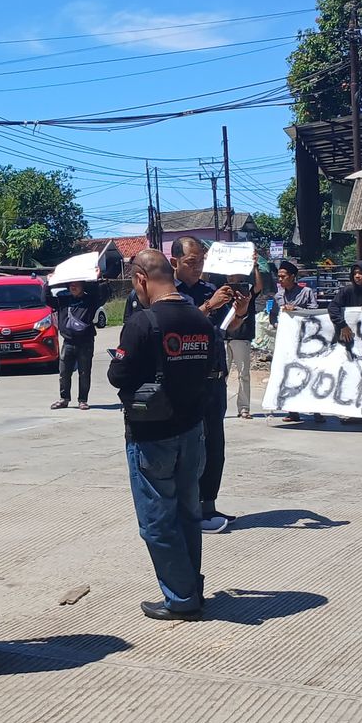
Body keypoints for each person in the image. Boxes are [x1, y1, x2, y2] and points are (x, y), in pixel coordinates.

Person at [110, 248, 214, 621]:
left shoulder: (143, 322)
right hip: (193, 431)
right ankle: (192, 586)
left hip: (152, 436)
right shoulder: (201, 320)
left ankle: (182, 597)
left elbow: (118, 375)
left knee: (156, 521)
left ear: (140, 278)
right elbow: (213, 369)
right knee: (188, 514)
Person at [169, 236, 245, 534]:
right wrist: (207, 307)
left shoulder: (209, 290)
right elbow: (178, 324)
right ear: (174, 261)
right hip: (188, 382)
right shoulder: (169, 294)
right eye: (191, 262)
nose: (197, 268)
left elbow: (224, 330)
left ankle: (208, 505)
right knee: (189, 448)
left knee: (215, 446)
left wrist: (239, 311)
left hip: (215, 378)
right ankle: (187, 509)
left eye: (201, 261)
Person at [270, 260, 321, 424]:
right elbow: (273, 315)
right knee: (291, 375)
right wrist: (276, 323)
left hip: (306, 341)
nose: (280, 280)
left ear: (292, 277)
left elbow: (314, 312)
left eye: (283, 277)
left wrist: (296, 310)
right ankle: (293, 411)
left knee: (312, 373)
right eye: (278, 277)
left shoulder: (306, 292)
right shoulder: (278, 296)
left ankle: (317, 411)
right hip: (288, 342)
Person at [51, 279, 109, 410]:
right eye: (71, 284)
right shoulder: (63, 299)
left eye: (76, 284)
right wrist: (48, 283)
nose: (73, 287)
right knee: (64, 372)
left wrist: (98, 280)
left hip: (85, 343)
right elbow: (47, 300)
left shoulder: (90, 300)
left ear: (83, 286)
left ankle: (83, 400)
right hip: (68, 342)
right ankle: (64, 398)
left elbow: (104, 294)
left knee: (84, 372)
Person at [224, 269, 263, 421]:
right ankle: (220, 407)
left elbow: (259, 286)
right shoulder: (221, 291)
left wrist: (255, 267)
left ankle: (244, 408)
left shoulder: (247, 292)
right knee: (221, 375)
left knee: (243, 375)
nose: (231, 275)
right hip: (223, 337)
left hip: (241, 337)